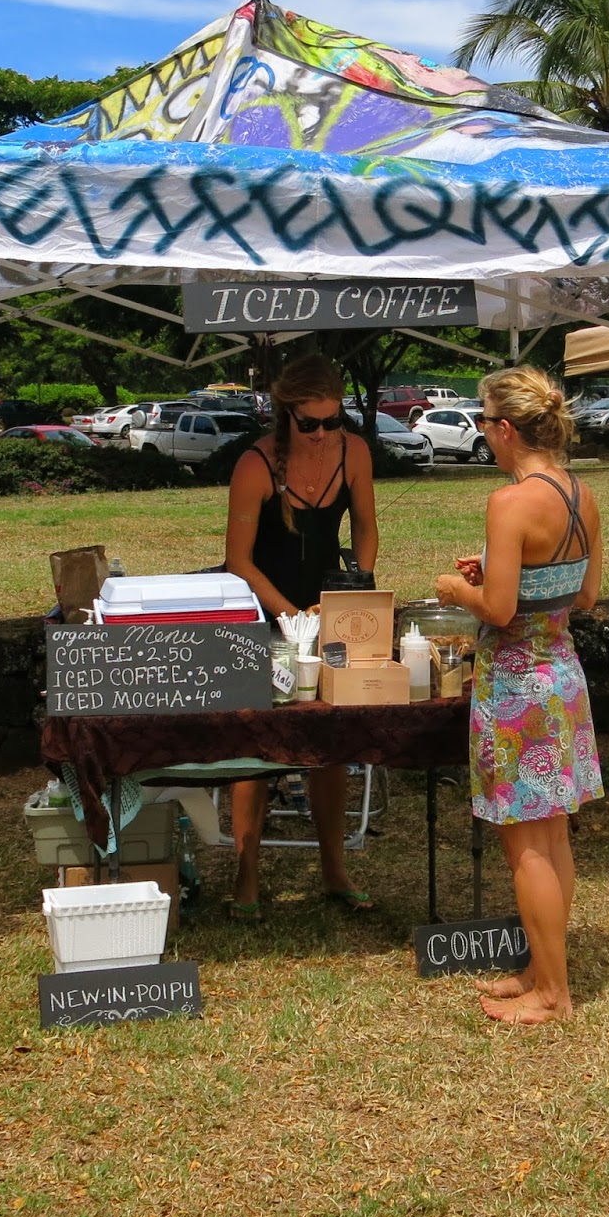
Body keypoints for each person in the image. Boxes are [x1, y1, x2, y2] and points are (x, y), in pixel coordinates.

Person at [434, 367, 603, 1024]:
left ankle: (553, 994)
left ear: (505, 429)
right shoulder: (581, 494)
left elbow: (499, 610)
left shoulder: (509, 502)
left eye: (483, 421)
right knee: (553, 837)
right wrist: (503, 574)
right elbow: (584, 594)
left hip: (516, 688)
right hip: (562, 677)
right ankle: (541, 970)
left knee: (525, 847)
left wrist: (460, 590)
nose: (482, 433)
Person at [223, 354, 379, 919]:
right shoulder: (255, 465)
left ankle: (335, 870)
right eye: (309, 423)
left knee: (330, 744)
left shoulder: (353, 452)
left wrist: (354, 590)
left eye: (332, 421)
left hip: (328, 608)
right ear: (284, 414)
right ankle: (246, 876)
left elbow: (366, 527)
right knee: (256, 747)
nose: (320, 434)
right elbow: (238, 562)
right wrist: (294, 618)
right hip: (266, 611)